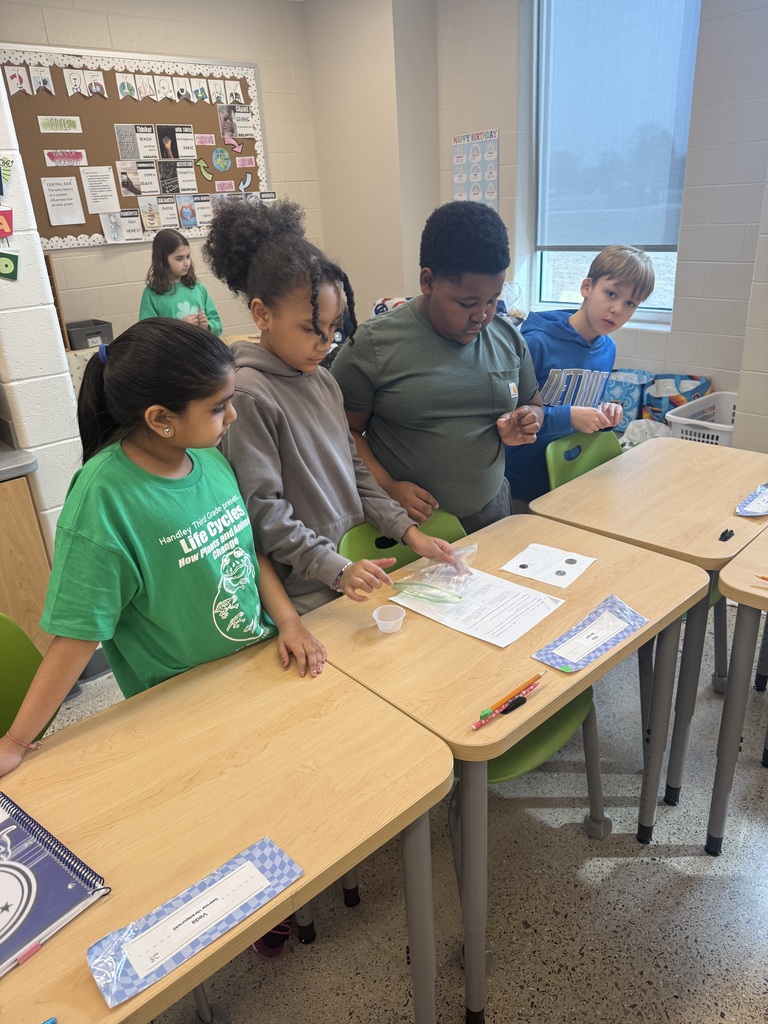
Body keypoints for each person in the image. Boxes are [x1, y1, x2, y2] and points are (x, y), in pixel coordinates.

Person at [0, 320, 326, 781]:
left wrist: (289, 622)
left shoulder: (210, 457)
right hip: (182, 702)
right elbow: (77, 635)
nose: (232, 417)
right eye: (219, 407)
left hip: (256, 664)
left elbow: (248, 553)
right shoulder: (103, 498)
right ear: (160, 419)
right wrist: (15, 743)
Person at [204, 199, 454, 614]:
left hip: (353, 570)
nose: (325, 343)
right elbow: (262, 513)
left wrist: (409, 533)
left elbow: (355, 470)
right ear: (262, 314)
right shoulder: (248, 395)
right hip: (308, 589)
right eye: (310, 328)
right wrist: (334, 568)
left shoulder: (323, 380)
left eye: (334, 328)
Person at [330, 201, 543, 534]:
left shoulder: (507, 338)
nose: (482, 315)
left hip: (491, 514)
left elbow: (534, 404)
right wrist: (387, 485)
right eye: (467, 302)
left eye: (492, 300)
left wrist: (528, 420)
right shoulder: (373, 344)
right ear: (427, 281)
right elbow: (342, 432)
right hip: (408, 525)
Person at [504, 245, 655, 506]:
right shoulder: (536, 343)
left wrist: (602, 412)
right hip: (521, 484)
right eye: (611, 294)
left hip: (571, 478)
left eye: (630, 303)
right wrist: (570, 417)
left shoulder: (608, 349)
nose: (617, 309)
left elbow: (580, 406)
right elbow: (510, 421)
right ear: (587, 287)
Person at [139, 228, 222, 336]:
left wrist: (207, 326)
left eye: (188, 256)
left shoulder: (198, 287)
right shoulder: (151, 294)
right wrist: (178, 329)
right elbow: (147, 335)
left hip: (201, 350)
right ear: (163, 260)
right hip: (173, 352)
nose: (187, 263)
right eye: (179, 259)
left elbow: (217, 325)